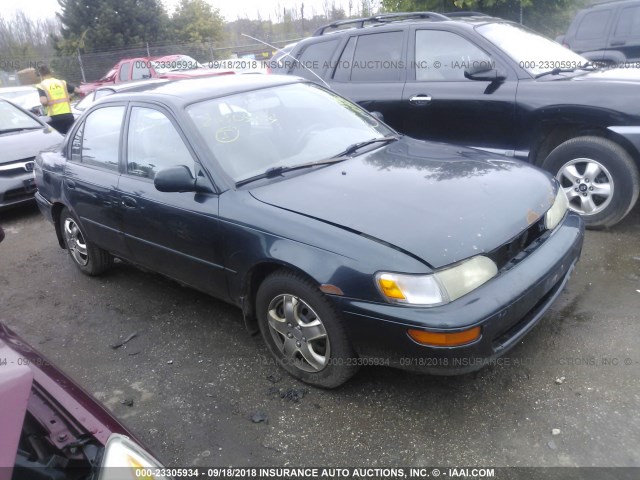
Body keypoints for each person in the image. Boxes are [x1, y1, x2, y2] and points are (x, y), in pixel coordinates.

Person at [37, 65, 76, 134]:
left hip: (54, 118)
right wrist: (71, 97)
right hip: (68, 115)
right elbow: (77, 90)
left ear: (41, 75)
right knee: (71, 137)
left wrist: (42, 102)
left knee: (58, 139)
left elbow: (44, 101)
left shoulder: (42, 85)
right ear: (50, 73)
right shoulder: (61, 82)